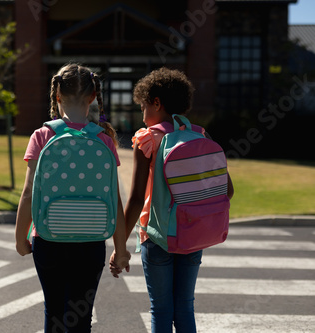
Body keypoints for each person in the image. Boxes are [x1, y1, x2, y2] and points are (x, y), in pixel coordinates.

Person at [15, 63, 131, 333]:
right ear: (93, 97)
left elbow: (29, 192)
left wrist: (21, 237)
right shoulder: (103, 140)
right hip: (90, 242)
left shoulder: (43, 135)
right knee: (80, 318)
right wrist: (121, 249)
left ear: (57, 95)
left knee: (54, 312)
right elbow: (115, 201)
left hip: (48, 239)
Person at [116, 67, 234, 333]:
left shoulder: (148, 139)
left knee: (161, 309)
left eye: (143, 106)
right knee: (184, 307)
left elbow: (135, 199)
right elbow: (227, 191)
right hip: (194, 235)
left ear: (157, 102)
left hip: (158, 238)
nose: (142, 114)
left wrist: (119, 244)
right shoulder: (202, 136)